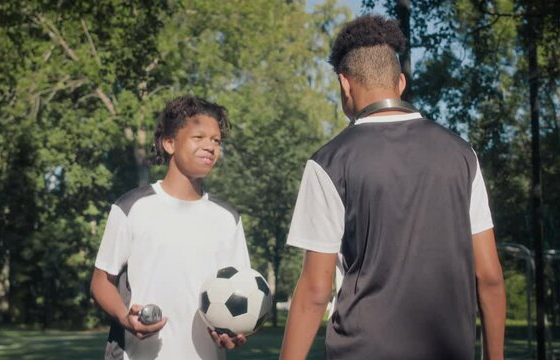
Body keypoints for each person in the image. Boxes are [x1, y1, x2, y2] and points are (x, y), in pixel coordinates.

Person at [280, 15, 506, 360]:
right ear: (399, 82)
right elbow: (488, 276)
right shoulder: (463, 155)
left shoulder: (329, 162)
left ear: (345, 84)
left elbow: (314, 290)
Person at [90, 95, 250, 360]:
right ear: (169, 143)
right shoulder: (131, 207)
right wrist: (124, 317)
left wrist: (234, 333)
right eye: (199, 138)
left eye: (216, 140)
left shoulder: (228, 218)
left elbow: (240, 295)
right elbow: (100, 282)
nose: (210, 146)